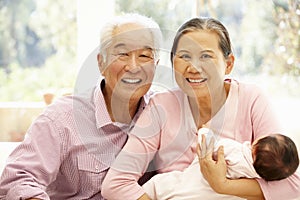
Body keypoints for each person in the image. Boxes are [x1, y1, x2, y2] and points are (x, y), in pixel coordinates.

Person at [101, 17, 300, 200]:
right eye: (184, 56)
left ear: (228, 64)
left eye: (206, 56)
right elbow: (116, 184)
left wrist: (222, 185)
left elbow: (292, 185)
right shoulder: (161, 106)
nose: (194, 68)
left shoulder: (251, 99)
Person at [0, 13, 162, 199]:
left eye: (144, 56)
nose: (133, 67)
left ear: (156, 65)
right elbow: (17, 180)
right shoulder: (61, 118)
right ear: (101, 63)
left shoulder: (165, 113)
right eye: (123, 54)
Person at [142, 128, 300, 200]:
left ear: (257, 143)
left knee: (157, 184)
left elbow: (207, 141)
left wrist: (204, 130)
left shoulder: (233, 150)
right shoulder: (255, 182)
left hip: (180, 187)